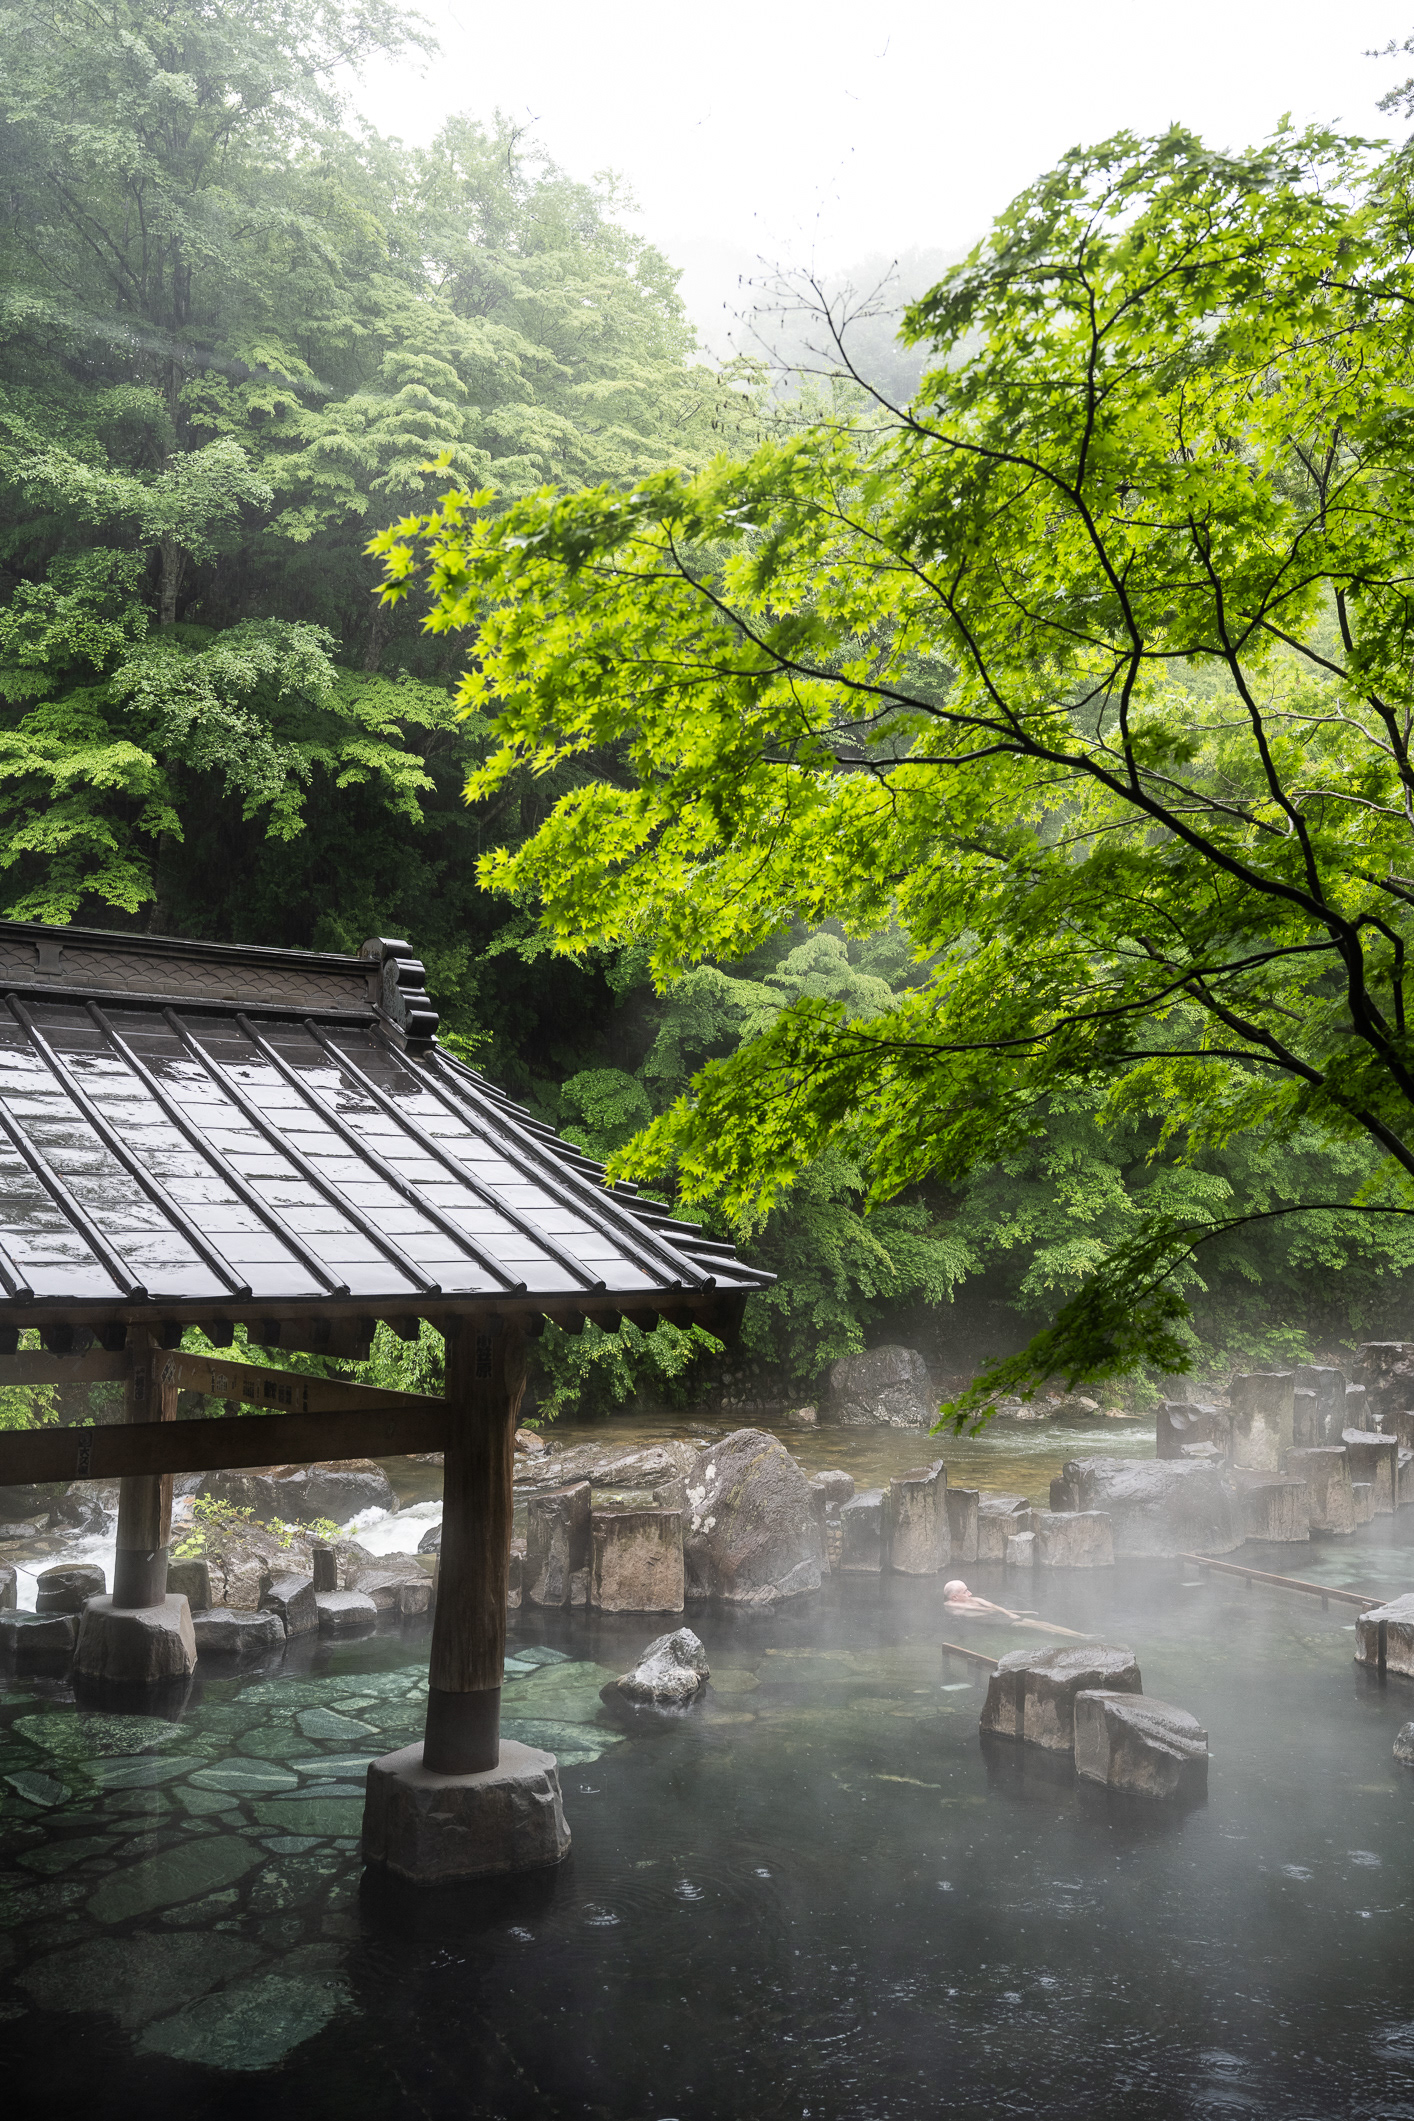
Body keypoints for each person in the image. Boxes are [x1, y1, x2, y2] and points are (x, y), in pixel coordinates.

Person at [941, 1579, 1010, 1616]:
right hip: (978, 1618)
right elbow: (979, 1609)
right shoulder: (950, 1604)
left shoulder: (974, 1600)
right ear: (955, 1597)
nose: (970, 1593)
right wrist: (1008, 1613)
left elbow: (991, 1606)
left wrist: (1009, 1613)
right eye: (965, 1592)